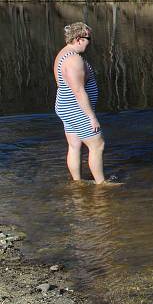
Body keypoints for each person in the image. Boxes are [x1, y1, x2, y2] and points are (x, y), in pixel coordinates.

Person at [53, 22, 106, 184]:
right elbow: (78, 91)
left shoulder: (62, 54)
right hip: (76, 108)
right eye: (88, 38)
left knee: (75, 145)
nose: (90, 42)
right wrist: (91, 117)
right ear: (78, 39)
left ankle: (77, 183)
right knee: (97, 145)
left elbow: (60, 83)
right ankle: (101, 184)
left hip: (65, 106)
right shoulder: (73, 60)